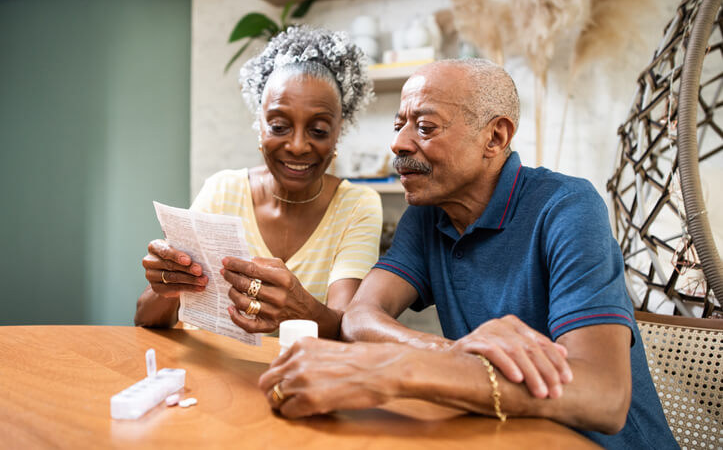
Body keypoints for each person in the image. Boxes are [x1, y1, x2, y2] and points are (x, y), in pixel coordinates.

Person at [258, 59, 678, 449]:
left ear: (494, 137)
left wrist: (396, 368)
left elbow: (602, 396)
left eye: (424, 127)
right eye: (399, 124)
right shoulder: (426, 215)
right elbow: (360, 316)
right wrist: (450, 353)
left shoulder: (567, 207)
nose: (398, 144)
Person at [134, 26, 382, 339]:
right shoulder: (223, 191)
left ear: (338, 132)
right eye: (279, 126)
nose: (297, 145)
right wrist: (167, 284)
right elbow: (145, 319)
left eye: (318, 130)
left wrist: (299, 307)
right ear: (260, 124)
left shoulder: (357, 205)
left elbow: (346, 329)